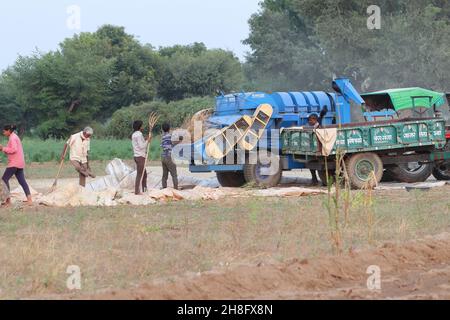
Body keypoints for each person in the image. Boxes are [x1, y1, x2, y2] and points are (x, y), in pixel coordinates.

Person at [0, 125, 32, 206]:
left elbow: (14, 149)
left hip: (14, 163)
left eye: (4, 131)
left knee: (4, 179)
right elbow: (11, 150)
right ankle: (29, 200)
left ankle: (8, 200)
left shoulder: (12, 138)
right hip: (19, 162)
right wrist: (3, 148)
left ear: (8, 131)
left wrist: (3, 148)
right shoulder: (14, 137)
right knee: (22, 181)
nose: (3, 133)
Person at [305, 106, 328, 185]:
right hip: (314, 148)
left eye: (311, 120)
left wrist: (323, 111)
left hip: (321, 148)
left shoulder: (319, 124)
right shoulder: (311, 126)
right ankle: (314, 179)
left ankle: (322, 180)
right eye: (309, 120)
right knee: (311, 164)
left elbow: (321, 115)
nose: (310, 121)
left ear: (315, 119)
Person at [132, 120, 149, 195]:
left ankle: (144, 189)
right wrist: (148, 141)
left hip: (137, 156)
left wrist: (145, 139)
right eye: (142, 125)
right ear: (139, 127)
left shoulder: (135, 134)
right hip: (140, 156)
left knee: (144, 174)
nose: (143, 127)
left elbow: (140, 143)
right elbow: (142, 146)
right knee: (140, 174)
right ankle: (137, 191)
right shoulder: (138, 134)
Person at [160, 123, 179, 190]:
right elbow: (174, 143)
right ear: (169, 129)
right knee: (174, 174)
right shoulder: (170, 136)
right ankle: (176, 189)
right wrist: (180, 140)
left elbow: (165, 145)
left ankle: (164, 188)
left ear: (162, 129)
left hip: (163, 157)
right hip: (169, 157)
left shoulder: (162, 137)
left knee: (165, 175)